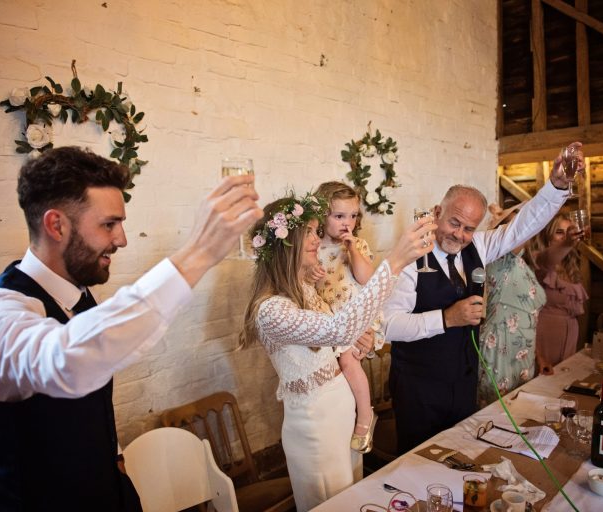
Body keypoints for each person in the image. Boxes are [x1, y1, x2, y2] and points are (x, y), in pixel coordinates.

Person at [0, 146, 262, 511]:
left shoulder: (79, 296)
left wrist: (113, 456)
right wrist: (199, 253)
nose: (123, 239)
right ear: (56, 225)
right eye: (109, 224)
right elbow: (65, 360)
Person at [239, 191, 433, 511]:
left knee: (352, 495)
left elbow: (338, 335)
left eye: (316, 231)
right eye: (308, 234)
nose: (317, 240)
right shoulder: (270, 309)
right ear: (285, 248)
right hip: (316, 424)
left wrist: (362, 338)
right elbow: (338, 328)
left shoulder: (304, 288)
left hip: (342, 408)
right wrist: (395, 261)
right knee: (330, 502)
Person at [382, 143, 579, 454]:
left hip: (463, 382)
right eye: (454, 223)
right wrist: (447, 318)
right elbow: (389, 326)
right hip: (418, 387)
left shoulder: (480, 246)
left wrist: (555, 186)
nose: (459, 235)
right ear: (437, 213)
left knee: (460, 456)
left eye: (469, 229)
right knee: (416, 462)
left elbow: (524, 224)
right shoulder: (409, 258)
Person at [311, 181, 383, 453]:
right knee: (338, 372)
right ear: (322, 216)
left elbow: (367, 279)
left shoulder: (358, 245)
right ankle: (348, 418)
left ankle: (366, 415)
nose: (347, 223)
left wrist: (352, 249)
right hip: (331, 321)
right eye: (339, 216)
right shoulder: (313, 249)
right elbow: (308, 288)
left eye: (353, 216)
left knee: (347, 361)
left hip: (356, 315)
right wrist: (310, 274)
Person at [476, 202, 547, 408]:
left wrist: (539, 356)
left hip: (523, 355)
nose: (523, 228)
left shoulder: (520, 262)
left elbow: (530, 316)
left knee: (519, 417)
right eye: (515, 224)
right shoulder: (500, 258)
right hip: (500, 351)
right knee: (495, 420)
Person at [532, 212, 588, 370]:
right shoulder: (539, 260)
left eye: (568, 233)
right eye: (559, 232)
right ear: (547, 235)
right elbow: (548, 259)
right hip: (545, 337)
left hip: (569, 337)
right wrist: (568, 243)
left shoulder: (571, 266)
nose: (564, 237)